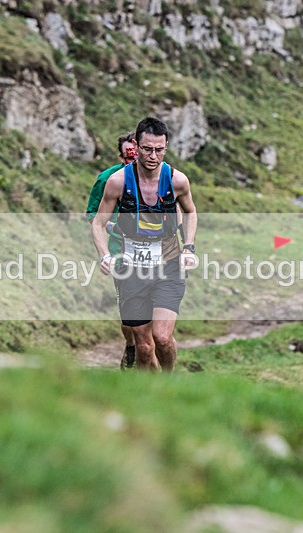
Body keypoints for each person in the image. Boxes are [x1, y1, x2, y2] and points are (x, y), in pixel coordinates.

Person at [92, 117, 198, 372]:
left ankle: (169, 380)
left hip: (168, 266)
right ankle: (147, 394)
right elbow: (98, 222)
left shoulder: (177, 181)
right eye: (147, 149)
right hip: (132, 269)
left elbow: (191, 212)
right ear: (136, 147)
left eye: (159, 149)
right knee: (144, 346)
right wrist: (105, 255)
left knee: (162, 338)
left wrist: (189, 247)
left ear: (166, 147)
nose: (153, 156)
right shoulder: (117, 182)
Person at [86, 132, 139, 369]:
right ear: (121, 157)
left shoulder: (162, 176)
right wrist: (113, 227)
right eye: (129, 158)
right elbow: (92, 216)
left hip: (157, 253)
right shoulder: (108, 179)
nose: (134, 162)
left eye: (137, 156)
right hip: (121, 252)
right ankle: (131, 346)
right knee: (130, 318)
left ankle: (151, 353)